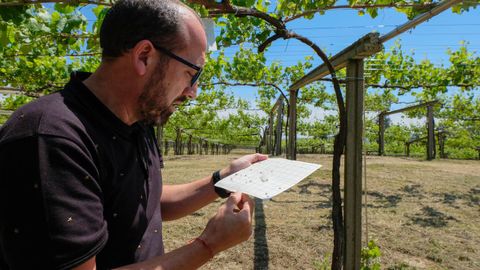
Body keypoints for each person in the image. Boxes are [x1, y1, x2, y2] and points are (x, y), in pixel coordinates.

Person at [0, 0, 268, 269]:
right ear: (144, 56)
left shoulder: (140, 118)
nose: (192, 91)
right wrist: (208, 245)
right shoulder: (50, 139)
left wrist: (223, 180)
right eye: (191, 73)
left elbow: (149, 201)